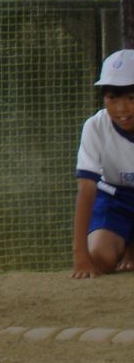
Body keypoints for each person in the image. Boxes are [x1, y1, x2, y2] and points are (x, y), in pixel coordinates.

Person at [72, 49, 134, 278]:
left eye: (131, 98)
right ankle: (124, 245)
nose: (121, 109)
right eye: (112, 98)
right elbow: (87, 189)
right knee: (99, 257)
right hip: (114, 197)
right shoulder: (95, 126)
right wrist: (81, 256)